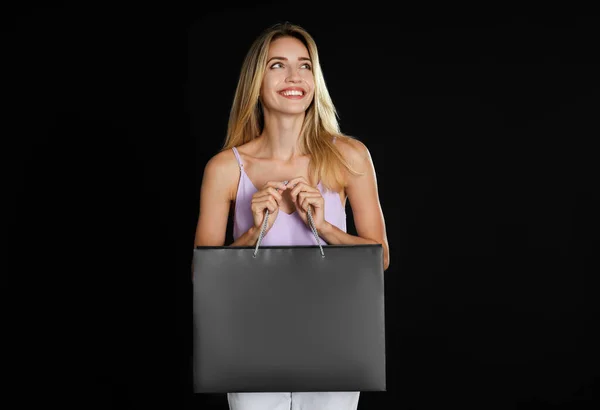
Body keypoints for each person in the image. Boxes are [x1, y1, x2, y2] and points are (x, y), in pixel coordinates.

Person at [194, 21, 390, 410]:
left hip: (333, 336)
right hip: (251, 338)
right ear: (256, 80)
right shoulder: (224, 168)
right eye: (277, 65)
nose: (294, 76)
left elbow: (380, 256)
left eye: (304, 65)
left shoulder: (350, 156)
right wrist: (254, 232)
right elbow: (202, 274)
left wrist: (324, 228)